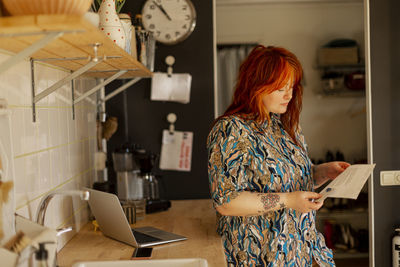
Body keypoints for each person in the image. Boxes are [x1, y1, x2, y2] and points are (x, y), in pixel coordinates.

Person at [207, 45, 350, 267]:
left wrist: (323, 172)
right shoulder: (230, 130)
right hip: (259, 257)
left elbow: (292, 178)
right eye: (281, 88)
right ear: (256, 84)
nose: (289, 95)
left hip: (301, 252)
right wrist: (289, 201)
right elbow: (226, 202)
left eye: (291, 87)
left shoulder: (286, 126)